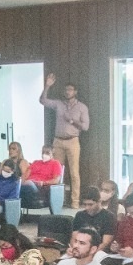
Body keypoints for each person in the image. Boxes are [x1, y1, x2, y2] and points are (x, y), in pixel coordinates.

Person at [39, 73, 90, 208]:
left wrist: (73, 121)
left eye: (70, 90)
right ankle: (57, 201)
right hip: (58, 141)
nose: (67, 92)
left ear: (75, 92)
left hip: (73, 140)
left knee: (74, 172)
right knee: (56, 171)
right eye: (66, 90)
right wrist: (47, 86)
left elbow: (85, 127)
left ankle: (75, 202)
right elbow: (43, 101)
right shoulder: (58, 104)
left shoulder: (82, 107)